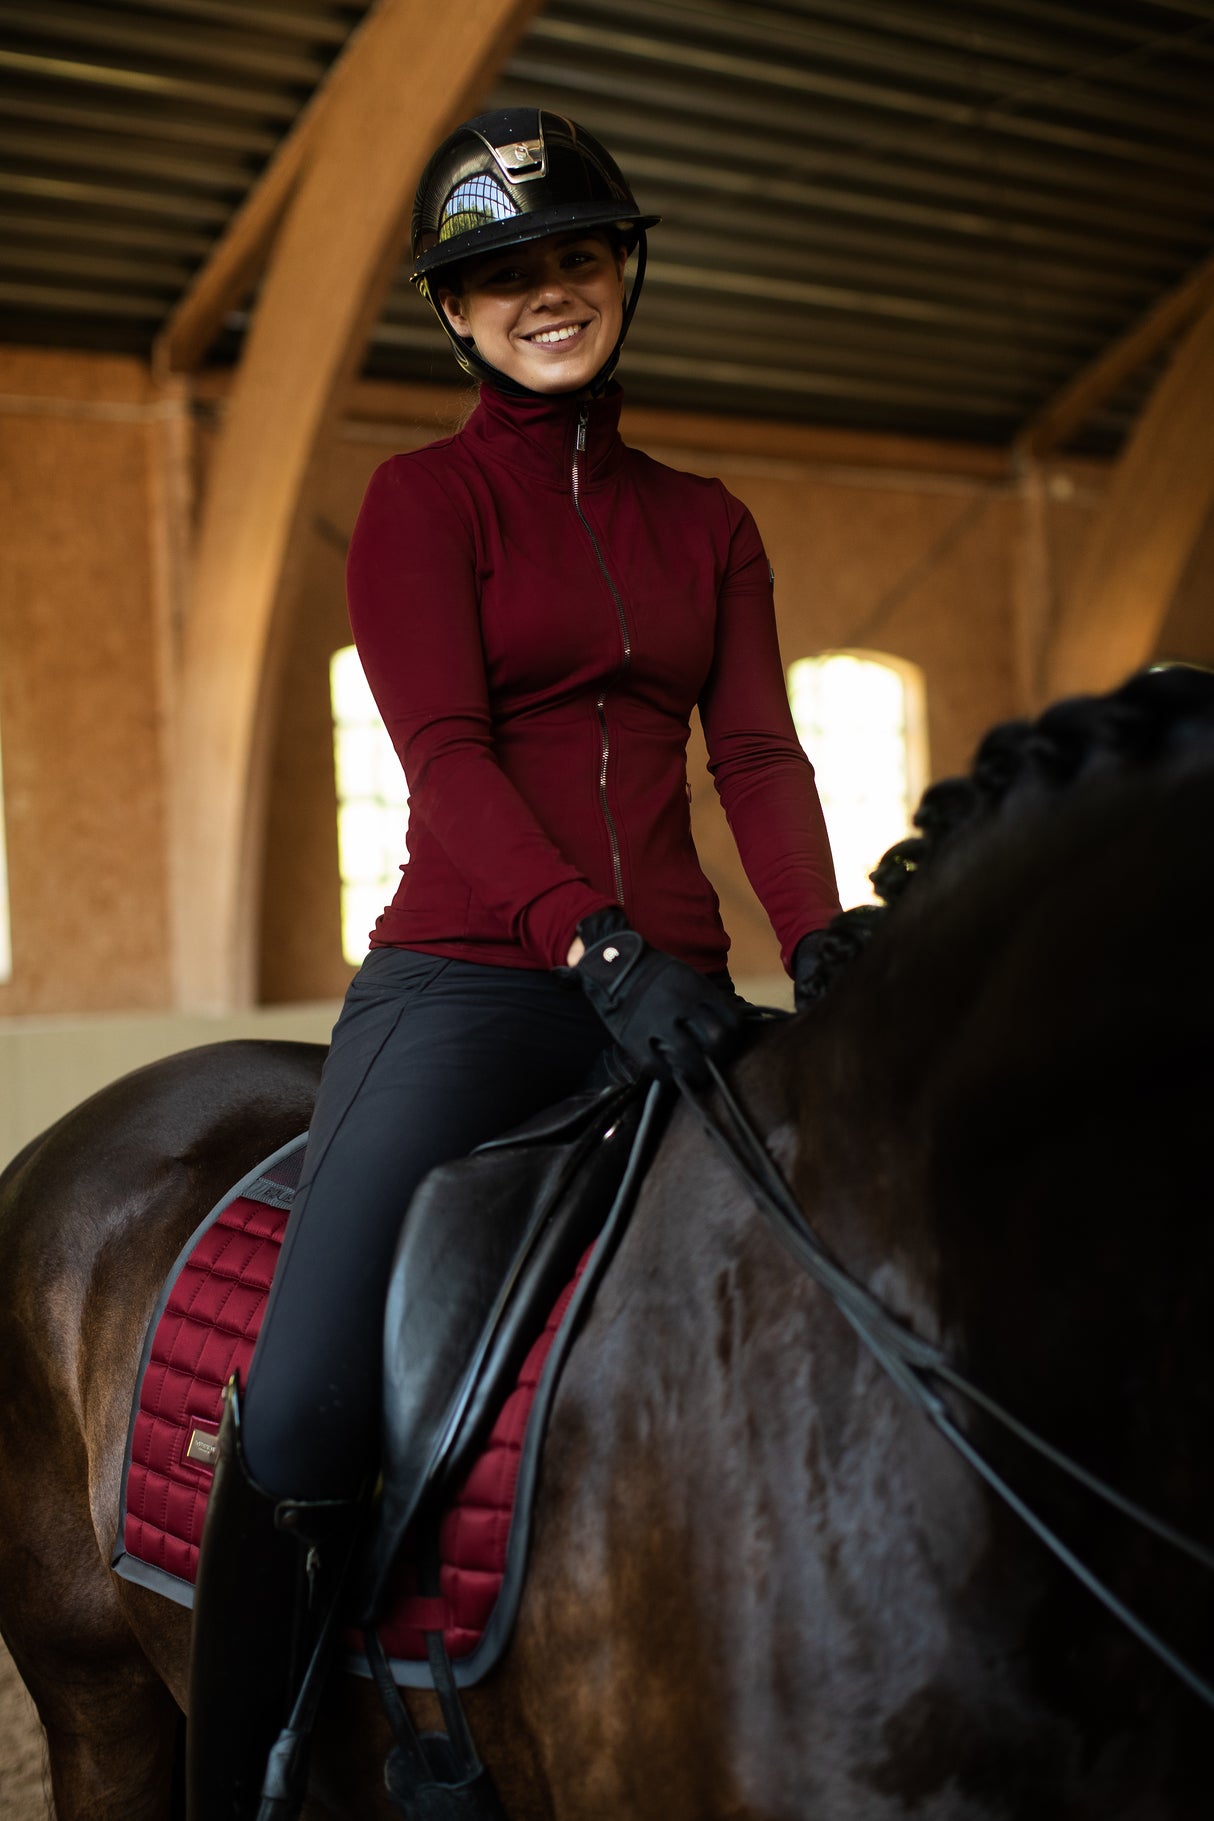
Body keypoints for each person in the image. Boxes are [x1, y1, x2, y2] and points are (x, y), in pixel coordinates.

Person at [186, 107, 840, 1820]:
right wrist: (588, 938)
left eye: (570, 257)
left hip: (679, 988)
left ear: (621, 272)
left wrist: (830, 946)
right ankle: (248, 1769)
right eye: (500, 276)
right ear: (458, 316)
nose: (543, 293)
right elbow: (447, 757)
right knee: (316, 1390)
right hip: (472, 980)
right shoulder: (422, 503)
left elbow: (757, 755)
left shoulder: (708, 520)